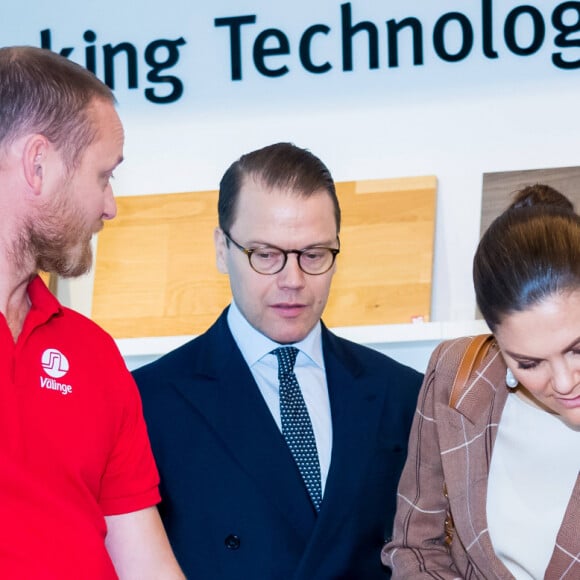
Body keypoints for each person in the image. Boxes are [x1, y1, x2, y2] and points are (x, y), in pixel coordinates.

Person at [133, 142, 423, 579]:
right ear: (221, 249)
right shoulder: (148, 401)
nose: (293, 281)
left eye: (314, 255)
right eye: (265, 255)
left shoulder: (402, 394)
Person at [0, 46, 184, 578]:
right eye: (103, 176)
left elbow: (144, 559)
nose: (111, 206)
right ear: (39, 165)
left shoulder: (93, 353)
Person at [383, 184, 580, 579]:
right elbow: (415, 548)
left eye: (578, 349)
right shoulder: (456, 375)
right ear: (495, 341)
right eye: (529, 362)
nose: (563, 382)